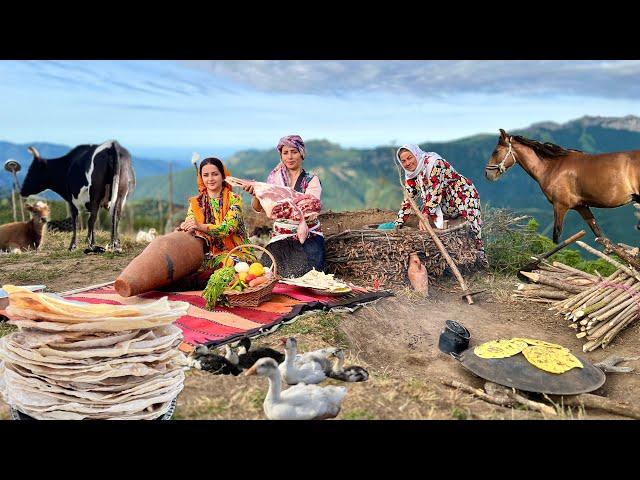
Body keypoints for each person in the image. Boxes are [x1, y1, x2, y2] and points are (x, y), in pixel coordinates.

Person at [243, 135, 325, 278]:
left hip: (307, 238)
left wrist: (281, 201)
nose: (290, 157)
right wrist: (257, 193)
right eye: (285, 153)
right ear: (281, 155)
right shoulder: (275, 180)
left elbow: (311, 209)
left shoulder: (311, 180)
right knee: (266, 273)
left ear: (301, 153)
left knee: (303, 276)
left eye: (294, 152)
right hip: (281, 238)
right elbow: (258, 208)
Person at [390, 143, 485, 255]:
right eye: (403, 161)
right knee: (452, 235)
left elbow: (435, 192)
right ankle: (460, 259)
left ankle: (480, 262)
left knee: (472, 230)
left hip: (462, 195)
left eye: (410, 158)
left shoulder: (434, 163)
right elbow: (409, 199)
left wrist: (424, 215)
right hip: (444, 202)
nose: (407, 163)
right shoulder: (411, 174)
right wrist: (399, 222)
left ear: (416, 154)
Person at [173, 157, 251, 288]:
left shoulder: (235, 200)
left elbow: (227, 229)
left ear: (223, 176)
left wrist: (200, 226)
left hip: (235, 252)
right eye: (206, 175)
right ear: (201, 178)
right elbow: (191, 222)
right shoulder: (196, 203)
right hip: (207, 254)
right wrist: (185, 229)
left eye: (215, 174)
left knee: (235, 266)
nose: (210, 179)